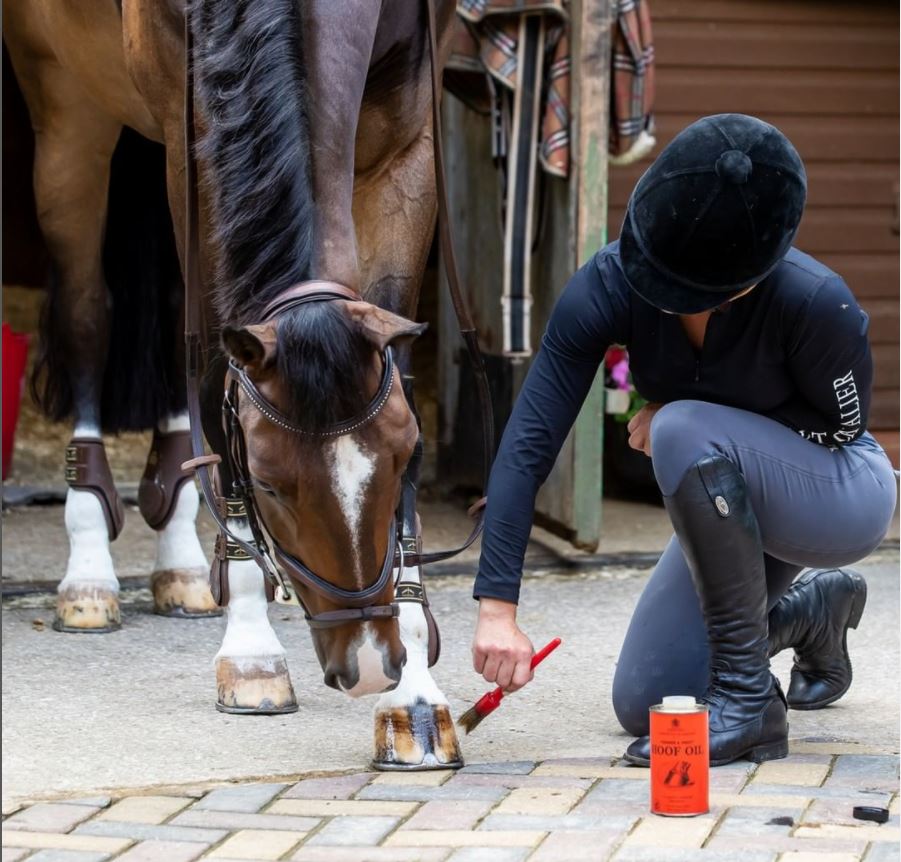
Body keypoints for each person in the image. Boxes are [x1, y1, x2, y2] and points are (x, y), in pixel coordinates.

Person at [470, 113, 897, 766]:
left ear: (752, 277)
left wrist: (691, 409)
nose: (664, 299)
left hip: (839, 495)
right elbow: (530, 440)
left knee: (678, 426)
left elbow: (840, 431)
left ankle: (747, 701)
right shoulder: (608, 283)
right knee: (646, 697)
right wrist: (496, 609)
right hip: (731, 501)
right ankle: (809, 612)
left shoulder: (815, 303)